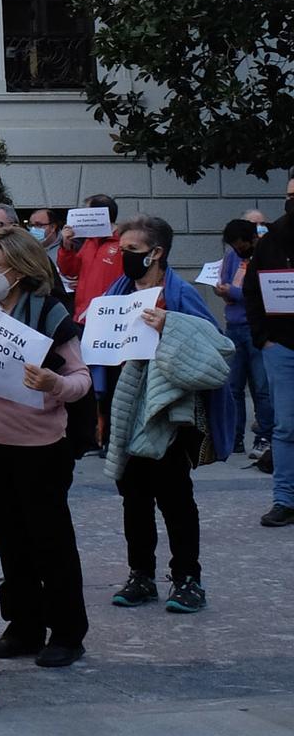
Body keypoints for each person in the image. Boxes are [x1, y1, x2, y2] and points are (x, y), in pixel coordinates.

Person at [0, 227, 91, 666]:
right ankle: (23, 626)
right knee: (9, 539)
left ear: (20, 269)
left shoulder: (50, 313)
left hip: (39, 447)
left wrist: (55, 383)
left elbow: (81, 379)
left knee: (49, 541)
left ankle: (67, 632)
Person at [103, 216, 231, 612]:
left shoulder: (181, 295)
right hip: (128, 407)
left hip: (172, 412)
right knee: (134, 497)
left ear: (156, 253)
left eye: (132, 251)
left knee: (175, 497)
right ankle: (140, 575)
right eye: (121, 249)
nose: (123, 257)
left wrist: (171, 325)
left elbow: (216, 346)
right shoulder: (118, 291)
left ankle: (187, 578)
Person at [245, 178, 294, 523]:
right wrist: (263, 337)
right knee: (286, 427)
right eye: (290, 195)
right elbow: (253, 291)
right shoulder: (271, 241)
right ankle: (285, 500)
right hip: (282, 347)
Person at [213, 218, 270, 464]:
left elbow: (257, 291)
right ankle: (234, 437)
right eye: (233, 245)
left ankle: (264, 436)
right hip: (233, 325)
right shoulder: (231, 257)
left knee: (261, 387)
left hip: (255, 327)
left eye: (240, 245)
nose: (238, 249)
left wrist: (232, 292)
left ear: (251, 240)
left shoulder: (263, 255)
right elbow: (225, 282)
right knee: (233, 387)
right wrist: (221, 290)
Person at [57, 193, 125, 324]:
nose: (82, 218)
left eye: (85, 213)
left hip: (108, 316)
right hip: (82, 315)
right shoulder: (90, 242)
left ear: (99, 214)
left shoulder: (123, 243)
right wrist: (66, 246)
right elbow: (70, 271)